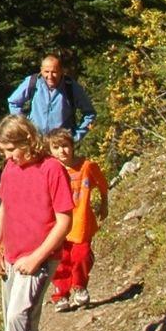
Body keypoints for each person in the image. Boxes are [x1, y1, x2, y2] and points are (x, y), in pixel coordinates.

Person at [0, 114, 72, 331]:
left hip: (39, 258)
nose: (7, 156)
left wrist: (38, 257)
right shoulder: (10, 169)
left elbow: (64, 221)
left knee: (18, 318)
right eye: (3, 151)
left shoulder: (52, 170)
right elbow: (5, 207)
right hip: (12, 257)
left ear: (27, 140)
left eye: (11, 149)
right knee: (16, 323)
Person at [45, 128, 109, 313]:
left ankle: (79, 285)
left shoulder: (86, 167)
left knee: (81, 255)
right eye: (56, 147)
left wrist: (104, 205)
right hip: (57, 225)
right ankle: (61, 294)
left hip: (81, 222)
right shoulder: (50, 170)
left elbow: (103, 185)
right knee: (61, 259)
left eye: (65, 146)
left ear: (72, 146)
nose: (61, 151)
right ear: (50, 150)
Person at [7, 54, 96, 142]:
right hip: (36, 141)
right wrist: (24, 127)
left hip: (60, 145)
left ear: (61, 71)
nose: (50, 76)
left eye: (54, 72)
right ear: (41, 70)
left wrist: (76, 136)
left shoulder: (71, 86)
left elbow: (90, 113)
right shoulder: (33, 82)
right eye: (46, 72)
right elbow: (13, 102)